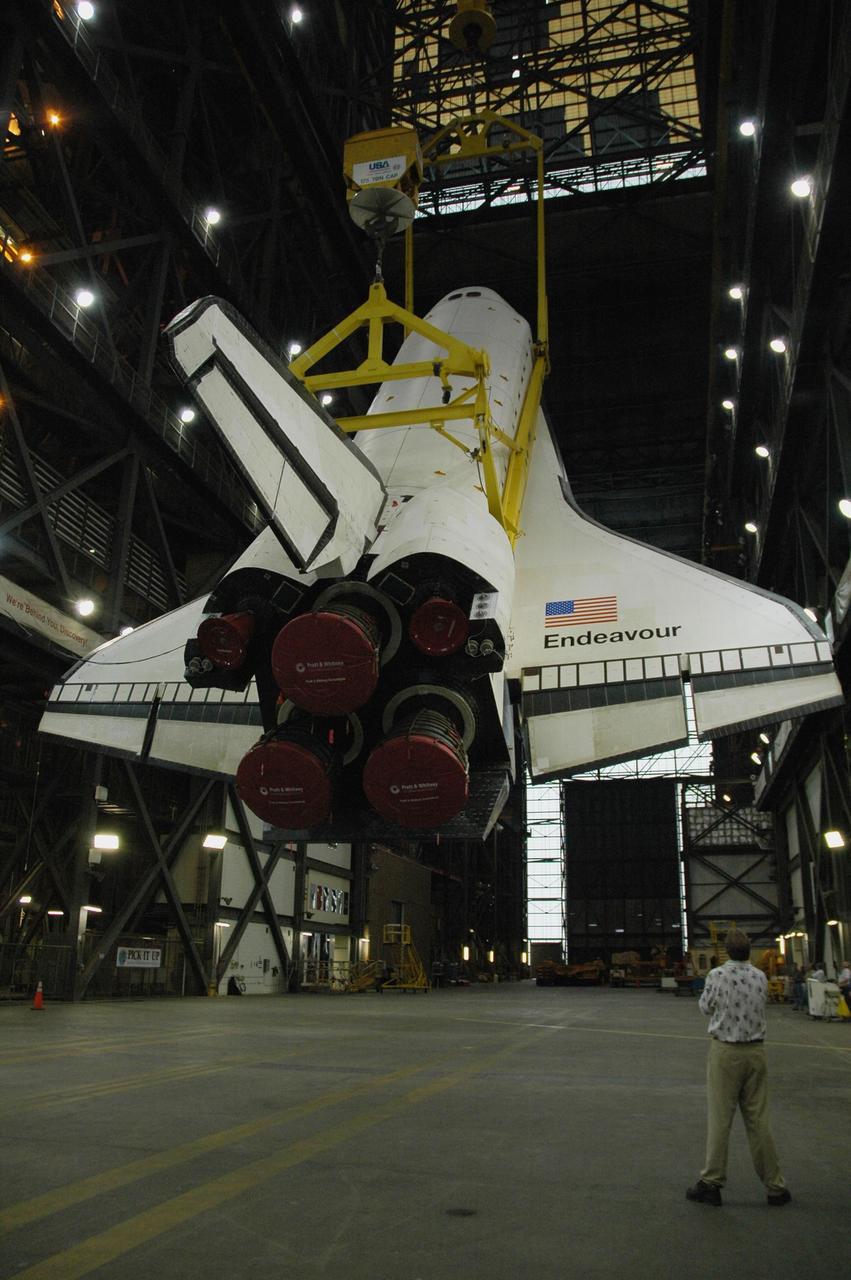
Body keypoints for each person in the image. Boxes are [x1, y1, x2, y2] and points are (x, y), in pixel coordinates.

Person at [686, 928, 790, 1208]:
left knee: (721, 1118)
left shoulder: (717, 975)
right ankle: (775, 1187)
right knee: (759, 1121)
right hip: (756, 1052)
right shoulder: (760, 976)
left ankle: (711, 1182)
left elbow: (705, 1008)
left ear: (727, 951)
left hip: (726, 1052)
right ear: (749, 950)